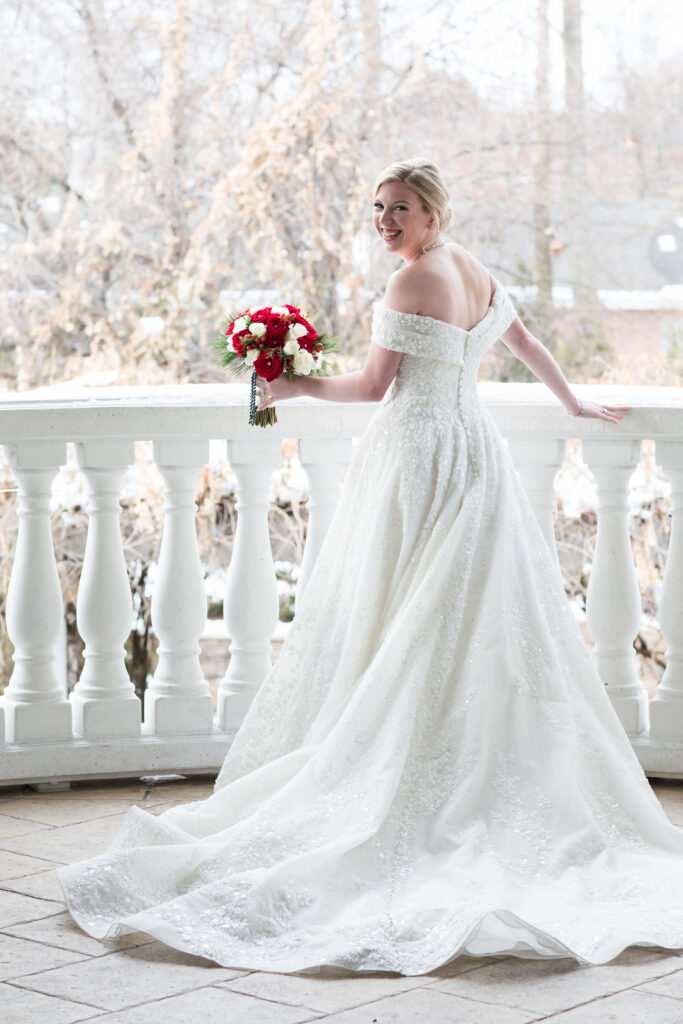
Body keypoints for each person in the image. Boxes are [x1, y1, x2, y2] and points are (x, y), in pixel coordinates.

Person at [58, 158, 683, 975]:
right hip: (472, 454)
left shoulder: (410, 282)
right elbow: (523, 340)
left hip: (416, 458)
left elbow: (370, 387)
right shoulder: (469, 266)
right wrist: (571, 402)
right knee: (466, 612)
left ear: (432, 214)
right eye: (378, 208)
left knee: (405, 610)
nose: (384, 221)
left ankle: (411, 760)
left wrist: (288, 385)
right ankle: (466, 759)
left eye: (400, 209)